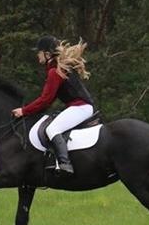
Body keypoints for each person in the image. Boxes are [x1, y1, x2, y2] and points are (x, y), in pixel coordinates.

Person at [11, 35, 96, 174]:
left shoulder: (54, 72)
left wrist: (24, 111)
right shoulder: (57, 69)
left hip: (80, 107)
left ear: (47, 54)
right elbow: (47, 101)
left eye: (39, 52)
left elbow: (45, 100)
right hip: (79, 107)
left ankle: (65, 163)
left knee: (52, 129)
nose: (37, 55)